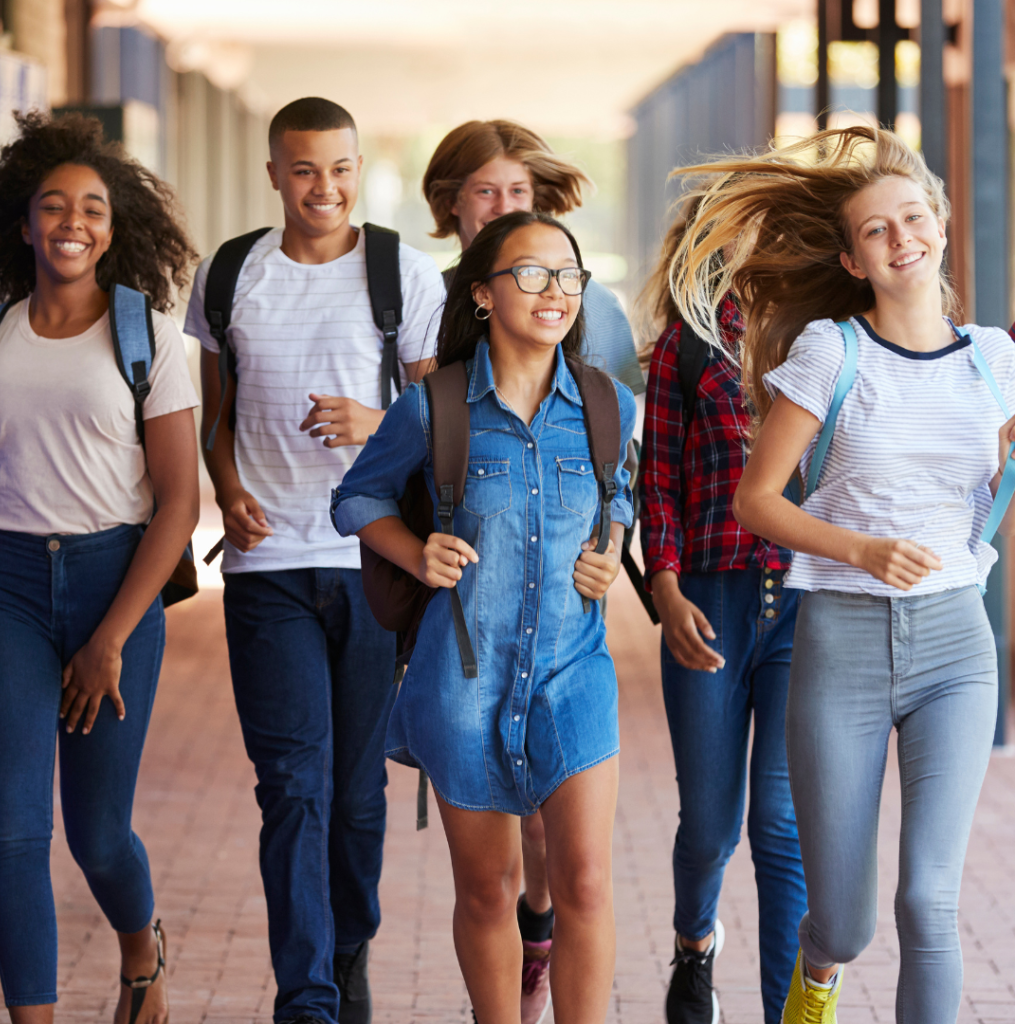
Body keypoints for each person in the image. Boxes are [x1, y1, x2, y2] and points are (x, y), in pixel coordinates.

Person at [667, 125, 1014, 1023]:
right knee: (847, 922)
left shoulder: (996, 358)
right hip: (842, 643)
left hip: (955, 647)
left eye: (913, 218)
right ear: (855, 259)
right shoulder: (831, 351)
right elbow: (756, 502)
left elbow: (990, 490)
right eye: (875, 230)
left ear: (939, 222)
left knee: (928, 901)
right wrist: (859, 549)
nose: (902, 238)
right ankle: (814, 984)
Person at [332, 210, 637, 1024]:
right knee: (490, 888)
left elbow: (620, 497)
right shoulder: (435, 408)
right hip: (463, 679)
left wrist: (610, 547)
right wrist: (413, 550)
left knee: (583, 882)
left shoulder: (610, 406)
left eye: (569, 275)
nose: (555, 291)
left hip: (575, 671)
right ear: (482, 295)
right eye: (531, 274)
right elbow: (355, 496)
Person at [184, 98, 444, 1024]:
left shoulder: (400, 275)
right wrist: (228, 488)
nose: (322, 188)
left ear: (359, 168)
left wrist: (377, 425)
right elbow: (215, 413)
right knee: (292, 787)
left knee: (357, 793)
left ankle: (348, 946)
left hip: (371, 565)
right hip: (265, 569)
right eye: (303, 170)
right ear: (273, 176)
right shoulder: (228, 276)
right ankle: (309, 998)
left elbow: (438, 433)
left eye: (339, 169)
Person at [422, 118, 643, 1024]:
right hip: (467, 631)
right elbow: (398, 471)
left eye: (518, 192)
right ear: (453, 207)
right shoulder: (427, 316)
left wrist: (612, 546)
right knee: (493, 863)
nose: (504, 206)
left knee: (565, 852)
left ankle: (540, 930)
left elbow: (618, 456)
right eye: (485, 191)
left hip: (565, 638)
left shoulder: (592, 320)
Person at [0, 111, 199, 1024]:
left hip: (118, 583)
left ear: (117, 229)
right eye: (53, 207)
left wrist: (111, 636)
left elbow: (180, 503)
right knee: (8, 832)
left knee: (98, 836)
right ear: (24, 223)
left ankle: (140, 946)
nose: (72, 223)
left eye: (93, 210)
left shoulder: (148, 339)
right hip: (6, 588)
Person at [638, 203, 807, 1024]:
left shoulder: (827, 330)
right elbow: (657, 482)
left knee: (780, 825)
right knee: (709, 826)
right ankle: (694, 942)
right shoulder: (688, 339)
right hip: (707, 601)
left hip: (806, 606)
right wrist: (665, 590)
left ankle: (785, 1012)